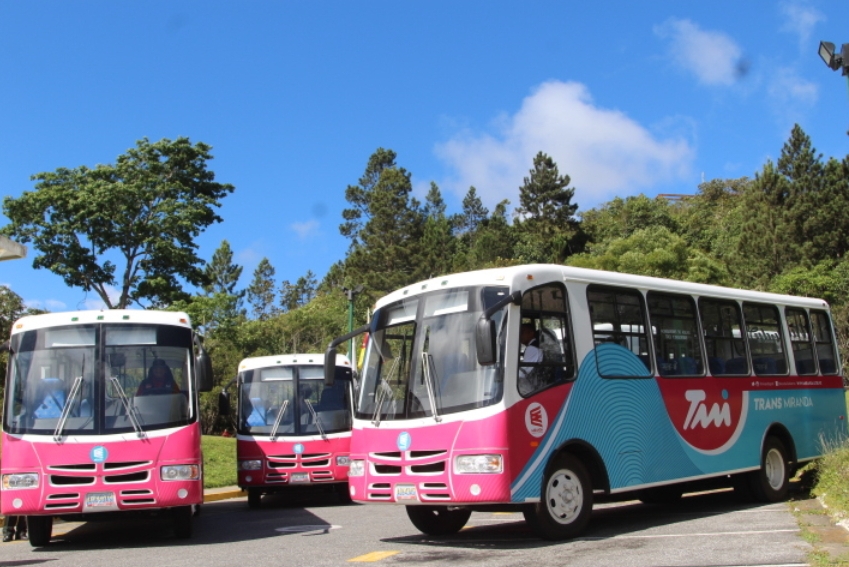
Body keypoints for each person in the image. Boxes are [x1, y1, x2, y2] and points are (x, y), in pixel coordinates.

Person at [518, 322, 544, 396]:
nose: (520, 335)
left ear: (531, 333)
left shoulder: (532, 348)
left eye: (522, 332)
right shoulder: (534, 346)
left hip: (534, 384)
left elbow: (524, 372)